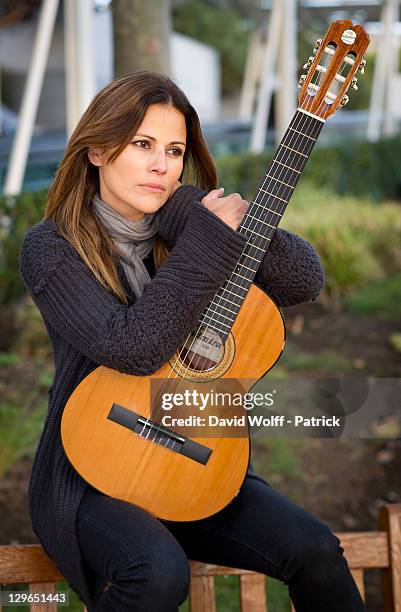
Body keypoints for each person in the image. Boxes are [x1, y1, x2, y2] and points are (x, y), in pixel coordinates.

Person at [19, 70, 366, 612]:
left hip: (196, 461)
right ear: (96, 150)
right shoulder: (51, 249)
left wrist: (191, 214)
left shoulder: (183, 221)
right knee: (156, 572)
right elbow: (132, 346)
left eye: (175, 150)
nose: (162, 165)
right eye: (142, 145)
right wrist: (207, 236)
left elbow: (303, 281)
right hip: (90, 469)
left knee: (316, 549)